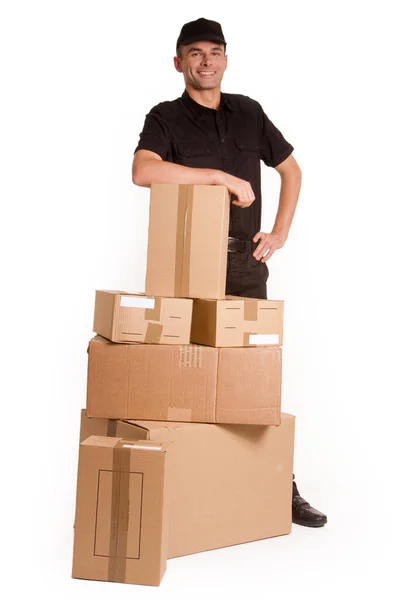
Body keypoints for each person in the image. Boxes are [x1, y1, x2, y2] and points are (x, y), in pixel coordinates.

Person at [132, 17, 327, 527]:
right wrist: (218, 176)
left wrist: (279, 232)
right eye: (195, 53)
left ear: (226, 59)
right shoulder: (165, 118)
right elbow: (143, 171)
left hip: (246, 264)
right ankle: (184, 484)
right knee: (182, 377)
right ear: (178, 62)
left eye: (215, 52)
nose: (206, 61)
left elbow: (291, 169)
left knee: (254, 378)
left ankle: (278, 485)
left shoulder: (249, 113)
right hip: (188, 262)